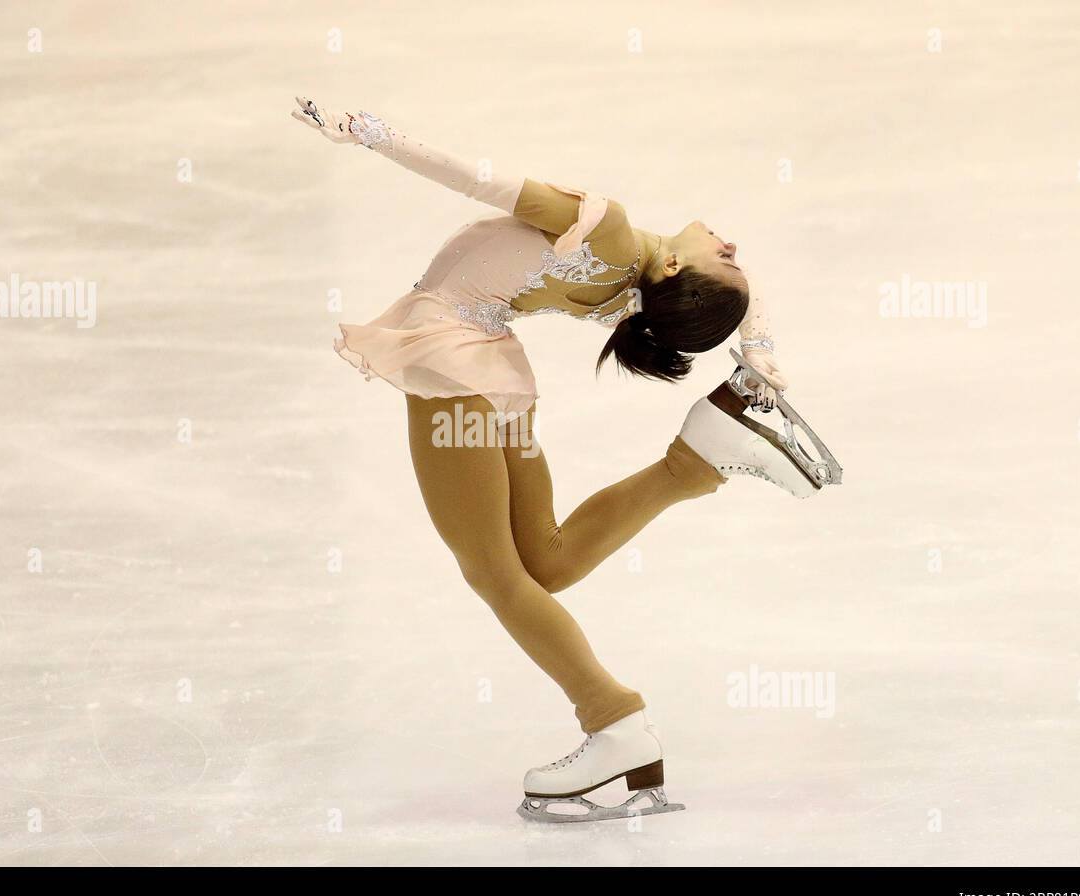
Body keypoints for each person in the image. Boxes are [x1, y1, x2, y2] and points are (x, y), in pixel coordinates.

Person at [293, 97, 827, 822]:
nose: (733, 245)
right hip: (495, 377)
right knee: (547, 562)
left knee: (494, 573)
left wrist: (374, 137)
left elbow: (479, 181)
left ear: (673, 264)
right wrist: (756, 347)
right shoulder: (633, 295)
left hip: (457, 374)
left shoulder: (606, 232)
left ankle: (613, 722)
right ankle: (695, 463)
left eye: (725, 255)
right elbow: (732, 289)